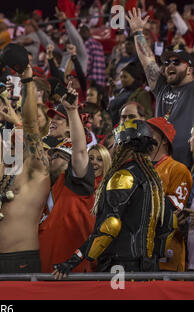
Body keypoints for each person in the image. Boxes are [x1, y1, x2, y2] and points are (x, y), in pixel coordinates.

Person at [0, 32, 50, 274]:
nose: (10, 139)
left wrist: (27, 81)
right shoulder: (6, 163)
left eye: (17, 136)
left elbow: (32, 125)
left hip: (20, 261)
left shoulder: (38, 169)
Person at [52, 120, 173, 278]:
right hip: (150, 268)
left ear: (122, 145)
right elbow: (169, 223)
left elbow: (110, 226)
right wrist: (154, 256)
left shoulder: (123, 176)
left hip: (120, 267)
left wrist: (73, 261)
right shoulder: (153, 179)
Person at [39, 83, 96, 273]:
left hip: (71, 272)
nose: (52, 159)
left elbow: (79, 153)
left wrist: (72, 112)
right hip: (44, 268)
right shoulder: (48, 181)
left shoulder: (77, 178)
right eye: (52, 154)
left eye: (59, 156)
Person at [127, 8, 194, 169]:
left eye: (176, 62)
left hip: (184, 165)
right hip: (157, 165)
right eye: (167, 62)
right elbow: (148, 61)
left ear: (190, 70)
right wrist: (138, 32)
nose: (170, 65)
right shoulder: (162, 88)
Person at [146, 117, 192, 271]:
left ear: (164, 140)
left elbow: (172, 211)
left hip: (167, 258)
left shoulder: (178, 170)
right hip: (140, 255)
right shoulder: (138, 167)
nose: (145, 135)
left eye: (151, 133)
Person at [108, 61, 152, 126]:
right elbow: (112, 108)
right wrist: (111, 93)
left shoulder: (141, 93)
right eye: (121, 77)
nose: (122, 80)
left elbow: (148, 115)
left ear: (134, 78)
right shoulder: (122, 92)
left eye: (125, 77)